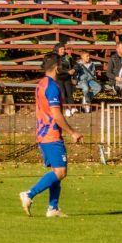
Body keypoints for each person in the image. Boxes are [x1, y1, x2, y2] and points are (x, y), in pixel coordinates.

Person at [19, 54, 84, 218]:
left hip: (43, 133)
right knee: (61, 172)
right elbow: (56, 114)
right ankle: (29, 194)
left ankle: (53, 208)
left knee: (56, 172)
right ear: (56, 67)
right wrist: (72, 132)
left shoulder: (41, 83)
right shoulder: (52, 87)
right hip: (51, 134)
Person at [51, 43, 77, 115]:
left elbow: (75, 65)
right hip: (58, 78)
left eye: (64, 49)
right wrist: (67, 71)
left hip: (67, 78)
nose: (63, 50)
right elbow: (58, 69)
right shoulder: (54, 58)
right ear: (57, 50)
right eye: (61, 49)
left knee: (69, 93)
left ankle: (72, 107)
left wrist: (74, 70)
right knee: (62, 93)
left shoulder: (67, 57)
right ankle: (65, 109)